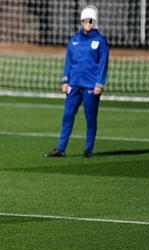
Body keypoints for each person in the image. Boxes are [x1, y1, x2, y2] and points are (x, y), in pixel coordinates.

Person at [44, 5, 109, 158]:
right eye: (85, 20)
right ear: (81, 21)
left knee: (90, 117)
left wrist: (100, 83)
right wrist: (65, 81)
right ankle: (60, 148)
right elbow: (68, 62)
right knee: (67, 115)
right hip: (73, 85)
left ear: (95, 22)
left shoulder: (101, 41)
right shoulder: (73, 41)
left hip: (91, 86)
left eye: (91, 21)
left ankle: (88, 149)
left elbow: (103, 64)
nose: (88, 23)